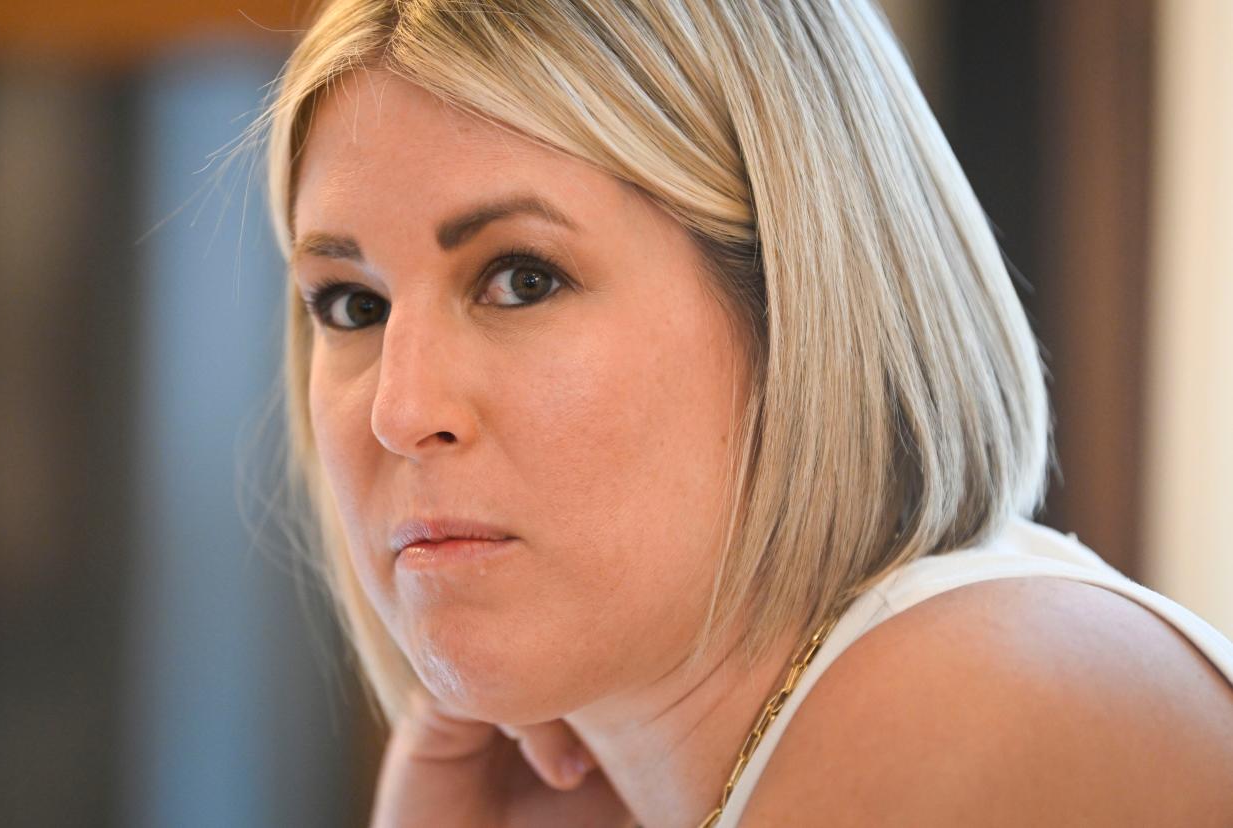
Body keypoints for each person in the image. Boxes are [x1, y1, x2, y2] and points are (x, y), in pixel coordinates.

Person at [259, 0, 1233, 825]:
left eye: (522, 278)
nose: (401, 407)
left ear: (798, 297)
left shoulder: (972, 702)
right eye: (355, 305)